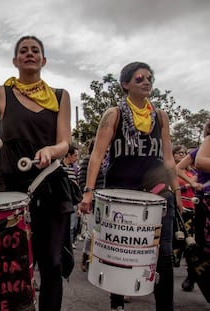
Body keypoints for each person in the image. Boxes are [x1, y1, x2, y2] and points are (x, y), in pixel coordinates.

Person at [0, 35, 72, 311]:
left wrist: (51, 150)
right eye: (23, 51)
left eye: (35, 50)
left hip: (49, 185)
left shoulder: (60, 96)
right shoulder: (0, 93)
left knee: (52, 263)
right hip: (8, 188)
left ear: (44, 60)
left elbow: (65, 142)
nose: (30, 54)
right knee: (8, 263)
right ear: (15, 61)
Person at [79, 62, 182, 311]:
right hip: (121, 197)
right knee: (119, 255)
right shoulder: (113, 114)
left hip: (157, 195)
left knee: (164, 256)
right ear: (125, 84)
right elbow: (97, 154)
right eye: (139, 79)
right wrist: (89, 192)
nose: (146, 82)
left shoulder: (160, 116)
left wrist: (177, 193)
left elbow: (168, 159)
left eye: (149, 78)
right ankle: (117, 304)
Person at [177, 121, 210, 293]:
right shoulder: (203, 148)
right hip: (204, 200)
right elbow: (177, 168)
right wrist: (192, 183)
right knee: (200, 243)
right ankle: (192, 274)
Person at [78, 138, 106, 272]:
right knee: (91, 232)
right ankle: (85, 257)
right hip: (93, 199)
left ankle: (97, 259)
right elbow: (82, 179)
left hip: (105, 201)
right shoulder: (89, 160)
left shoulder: (108, 160)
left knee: (102, 233)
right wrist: (87, 195)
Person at [61, 145, 81, 249]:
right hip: (61, 201)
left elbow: (78, 189)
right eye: (75, 155)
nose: (76, 158)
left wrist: (79, 206)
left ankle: (68, 246)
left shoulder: (76, 169)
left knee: (72, 226)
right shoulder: (59, 167)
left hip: (72, 201)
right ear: (68, 155)